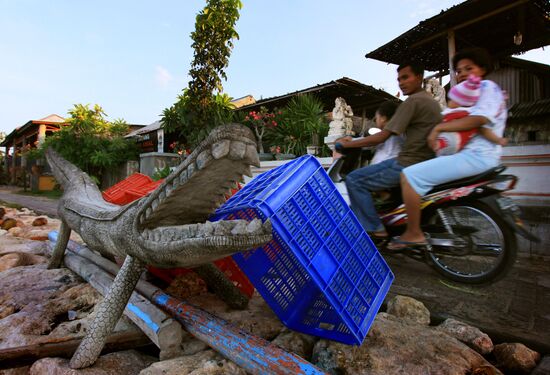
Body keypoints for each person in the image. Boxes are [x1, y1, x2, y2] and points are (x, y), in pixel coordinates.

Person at [388, 48, 507, 249]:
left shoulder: (487, 86)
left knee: (409, 176)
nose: (462, 74)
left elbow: (478, 120)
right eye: (459, 71)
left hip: (477, 157)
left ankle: (414, 233)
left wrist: (439, 128)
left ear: (483, 69)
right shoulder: (472, 94)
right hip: (472, 156)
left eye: (469, 68)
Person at [336, 62, 442, 239]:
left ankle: (375, 228)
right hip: (425, 160)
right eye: (399, 79)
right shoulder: (430, 102)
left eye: (405, 77)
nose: (401, 82)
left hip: (407, 163)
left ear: (419, 77)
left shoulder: (413, 102)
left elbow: (380, 137)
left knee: (354, 180)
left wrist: (346, 145)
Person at [435, 74, 506, 156]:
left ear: (459, 101)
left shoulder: (462, 114)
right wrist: (498, 140)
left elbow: (483, 130)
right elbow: (484, 130)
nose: (449, 101)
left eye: (452, 99)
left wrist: (498, 140)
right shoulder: (467, 113)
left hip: (451, 142)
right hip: (456, 144)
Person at [370, 101, 402, 165]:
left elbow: (373, 140)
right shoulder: (401, 132)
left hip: (383, 164)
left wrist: (347, 143)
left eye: (376, 118)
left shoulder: (388, 133)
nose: (376, 121)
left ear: (383, 119)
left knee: (354, 175)